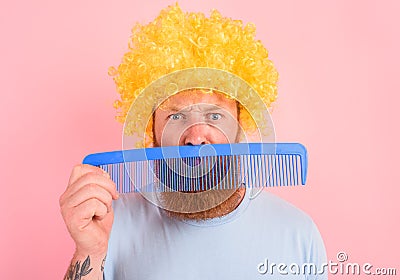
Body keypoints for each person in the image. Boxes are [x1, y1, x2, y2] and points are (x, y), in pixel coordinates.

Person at [60, 4, 327, 279]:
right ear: (151, 133)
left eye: (214, 114)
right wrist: (89, 251)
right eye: (176, 116)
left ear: (240, 127)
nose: (196, 137)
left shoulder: (298, 233)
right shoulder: (109, 225)